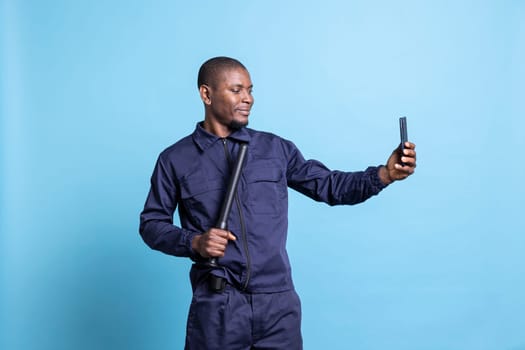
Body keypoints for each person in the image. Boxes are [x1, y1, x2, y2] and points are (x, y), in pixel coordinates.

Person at [139, 56, 417, 349]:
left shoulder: (274, 149)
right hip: (218, 308)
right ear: (206, 94)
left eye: (250, 90)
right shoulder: (175, 159)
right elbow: (151, 225)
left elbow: (330, 186)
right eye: (236, 90)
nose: (248, 99)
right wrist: (194, 243)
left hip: (278, 306)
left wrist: (385, 174)